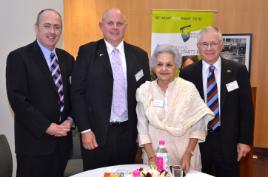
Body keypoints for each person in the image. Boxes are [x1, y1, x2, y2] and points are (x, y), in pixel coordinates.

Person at [71, 8, 150, 170]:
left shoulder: (140, 55)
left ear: (125, 26)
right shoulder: (87, 52)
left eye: (119, 23)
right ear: (101, 26)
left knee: (125, 173)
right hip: (95, 134)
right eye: (110, 23)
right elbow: (77, 93)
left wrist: (142, 131)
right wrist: (85, 129)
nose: (115, 27)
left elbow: (146, 96)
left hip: (128, 134)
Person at [6, 9, 74, 177]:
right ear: (36, 28)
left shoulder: (68, 59)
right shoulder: (18, 57)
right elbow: (18, 100)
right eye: (47, 26)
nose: (52, 31)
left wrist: (71, 119)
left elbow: (75, 95)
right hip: (33, 145)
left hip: (62, 144)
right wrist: (47, 127)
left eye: (57, 27)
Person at [180, 26, 254, 177]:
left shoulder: (237, 70)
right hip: (198, 140)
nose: (209, 48)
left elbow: (246, 109)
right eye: (204, 44)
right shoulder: (187, 73)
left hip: (229, 140)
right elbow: (183, 109)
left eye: (213, 43)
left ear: (221, 45)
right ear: (198, 47)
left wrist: (245, 140)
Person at [136, 44, 214, 172]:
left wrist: (188, 154)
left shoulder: (188, 89)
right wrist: (151, 156)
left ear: (176, 66)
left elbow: (198, 126)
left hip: (185, 157)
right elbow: (142, 128)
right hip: (155, 156)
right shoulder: (144, 91)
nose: (164, 69)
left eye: (169, 65)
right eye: (160, 64)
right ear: (154, 67)